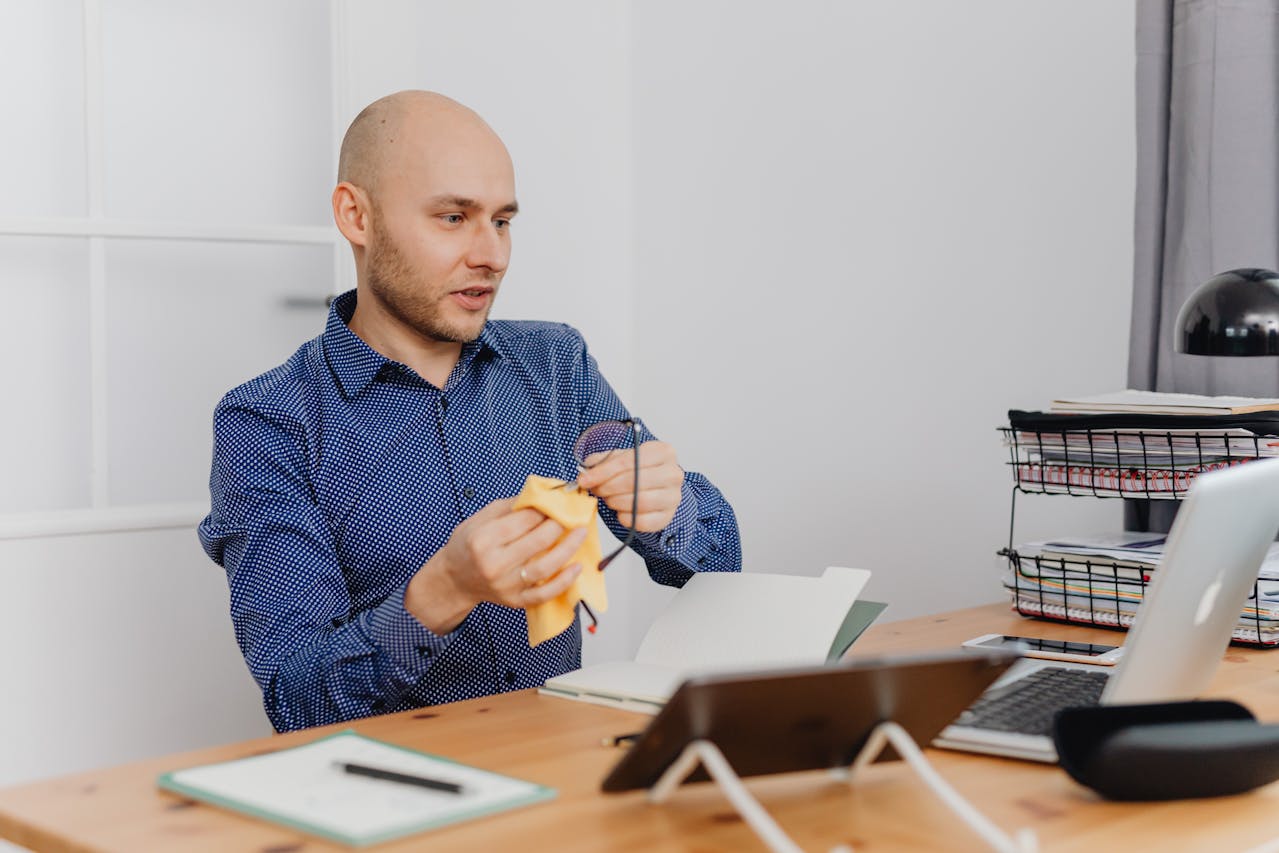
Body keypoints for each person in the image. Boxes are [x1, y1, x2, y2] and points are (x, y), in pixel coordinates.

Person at [198, 91, 741, 732]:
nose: (493, 255)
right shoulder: (269, 423)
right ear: (356, 216)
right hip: (398, 798)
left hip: (560, 770)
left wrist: (667, 510)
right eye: (454, 218)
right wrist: (444, 591)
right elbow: (297, 698)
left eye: (502, 221)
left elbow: (716, 563)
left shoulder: (554, 362)